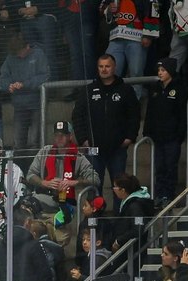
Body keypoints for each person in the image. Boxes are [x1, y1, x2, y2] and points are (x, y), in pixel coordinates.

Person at [71, 54, 140, 193]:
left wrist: (129, 138)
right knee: (93, 187)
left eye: (107, 66)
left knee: (120, 187)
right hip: (93, 149)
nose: (104, 69)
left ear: (114, 67)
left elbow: (134, 115)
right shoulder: (88, 90)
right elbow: (77, 115)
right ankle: (94, 215)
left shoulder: (125, 90)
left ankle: (120, 214)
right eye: (101, 66)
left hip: (118, 148)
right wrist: (83, 139)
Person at [26, 120, 100, 218]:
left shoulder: (78, 156)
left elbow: (95, 179)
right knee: (27, 203)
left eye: (63, 135)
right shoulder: (45, 151)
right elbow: (30, 175)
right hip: (45, 197)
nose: (59, 138)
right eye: (56, 135)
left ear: (70, 137)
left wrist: (73, 182)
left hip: (69, 201)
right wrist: (44, 182)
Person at [0, 36, 51, 154]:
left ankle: (34, 170)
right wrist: (9, 85)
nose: (18, 55)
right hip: (19, 105)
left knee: (34, 142)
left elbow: (45, 75)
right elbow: (2, 77)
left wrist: (25, 84)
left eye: (20, 52)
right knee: (18, 142)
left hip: (37, 104)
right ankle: (19, 170)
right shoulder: (10, 58)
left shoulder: (38, 54)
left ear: (27, 46)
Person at [145, 58, 186, 208]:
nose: (160, 73)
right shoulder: (155, 88)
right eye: (159, 70)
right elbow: (150, 112)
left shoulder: (179, 88)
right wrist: (147, 131)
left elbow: (181, 114)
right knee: (159, 167)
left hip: (172, 136)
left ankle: (168, 195)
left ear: (170, 71)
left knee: (170, 167)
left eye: (163, 70)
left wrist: (180, 133)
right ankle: (159, 195)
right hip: (158, 136)